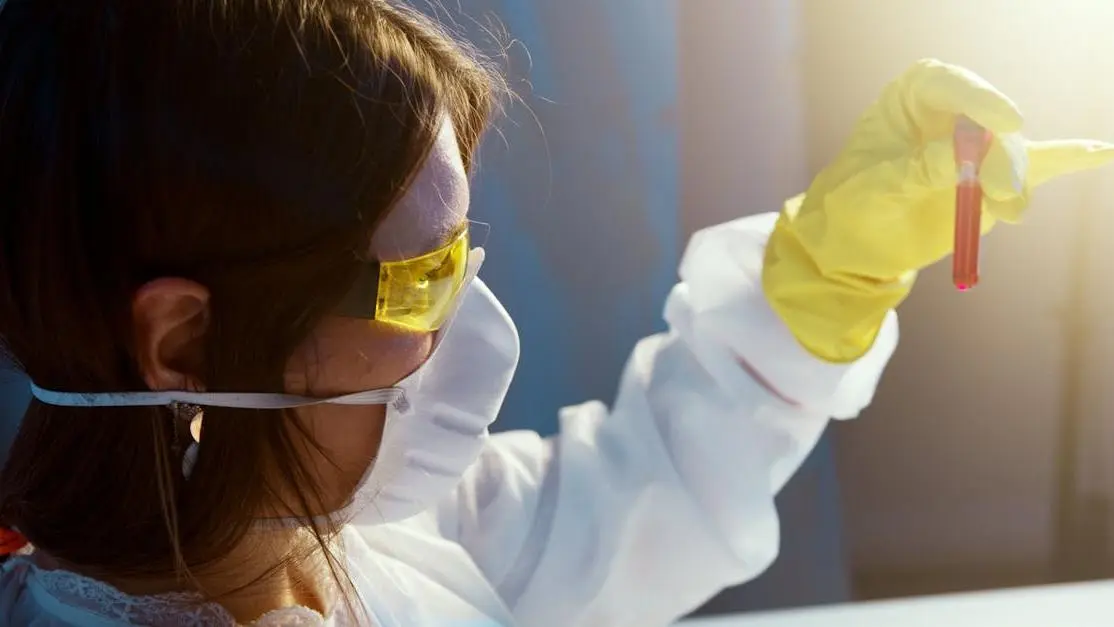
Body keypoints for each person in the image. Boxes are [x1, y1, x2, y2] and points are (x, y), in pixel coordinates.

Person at [0, 1, 1110, 625]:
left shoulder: (346, 533)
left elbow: (627, 497)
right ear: (184, 343)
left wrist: (821, 278)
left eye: (461, 257)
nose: (473, 327)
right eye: (420, 279)